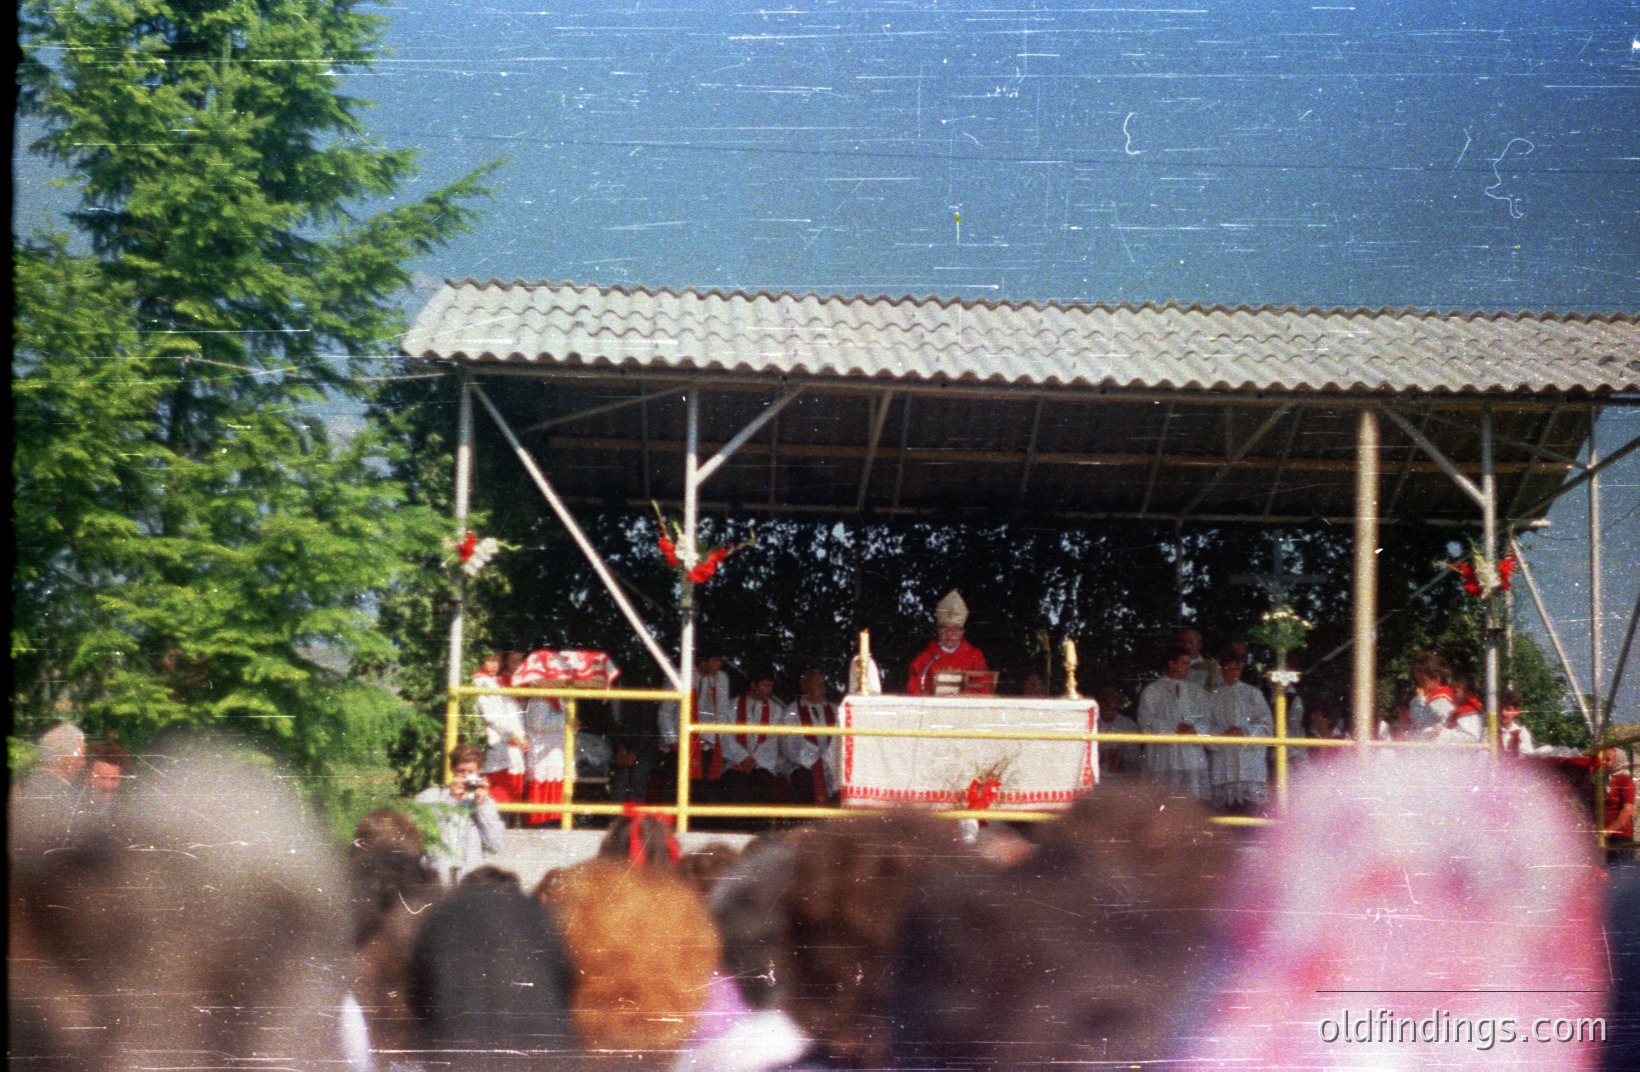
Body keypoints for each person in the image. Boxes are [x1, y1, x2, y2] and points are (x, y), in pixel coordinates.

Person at [414, 743, 506, 885]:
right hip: (437, 879)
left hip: (470, 882)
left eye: (471, 772)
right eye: (461, 771)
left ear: (479, 772)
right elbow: (423, 837)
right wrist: (451, 800)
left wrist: (481, 806)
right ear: (452, 770)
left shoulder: (486, 804)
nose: (466, 777)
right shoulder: (429, 797)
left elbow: (495, 846)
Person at [1137, 646, 1212, 801]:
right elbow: (1145, 721)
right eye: (1184, 663)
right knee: (1163, 802)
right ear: (1172, 664)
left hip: (1191, 756)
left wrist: (1194, 729)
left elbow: (1207, 719)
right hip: (1165, 757)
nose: (1188, 667)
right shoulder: (1152, 691)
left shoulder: (1196, 691)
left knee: (1193, 803)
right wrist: (1173, 728)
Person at [1208, 651, 1273, 810]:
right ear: (1221, 669)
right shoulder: (1211, 696)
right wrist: (1223, 734)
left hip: (1249, 764)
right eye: (1228, 668)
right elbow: (1205, 726)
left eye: (1236, 668)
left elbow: (1266, 726)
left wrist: (1244, 732)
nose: (1232, 672)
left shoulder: (1253, 694)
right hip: (1224, 762)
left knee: (1252, 813)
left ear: (1241, 669)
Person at [9, 721, 89, 848]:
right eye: (81, 757)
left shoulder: (28, 785)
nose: (83, 764)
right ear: (67, 758)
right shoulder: (65, 798)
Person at [715, 668, 785, 805]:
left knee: (763, 785)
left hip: (763, 763)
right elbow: (725, 735)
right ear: (753, 685)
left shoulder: (776, 710)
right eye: (765, 685)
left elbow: (772, 740)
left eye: (771, 686)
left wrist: (754, 760)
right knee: (735, 785)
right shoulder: (731, 706)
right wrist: (742, 757)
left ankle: (759, 826)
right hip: (735, 761)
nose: (769, 690)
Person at [906, 589, 988, 696]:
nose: (949, 634)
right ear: (938, 631)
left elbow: (984, 688)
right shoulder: (925, 659)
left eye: (955, 629)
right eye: (944, 629)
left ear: (962, 632)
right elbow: (916, 690)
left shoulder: (975, 657)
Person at [475, 652, 527, 809]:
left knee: (512, 785)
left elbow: (512, 712)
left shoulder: (499, 682)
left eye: (497, 662)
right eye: (490, 661)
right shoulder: (481, 683)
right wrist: (511, 735)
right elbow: (491, 716)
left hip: (509, 739)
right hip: (496, 739)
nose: (494, 666)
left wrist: (520, 735)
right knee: (497, 787)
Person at [782, 667, 839, 806]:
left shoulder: (835, 710)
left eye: (822, 683)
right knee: (804, 780)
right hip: (803, 764)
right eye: (817, 683)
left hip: (831, 763)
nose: (822, 687)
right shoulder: (792, 711)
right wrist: (814, 760)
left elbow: (840, 740)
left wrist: (829, 759)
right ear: (804, 686)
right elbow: (789, 745)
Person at [1094, 685, 1142, 777]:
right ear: (1100, 706)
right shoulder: (1090, 724)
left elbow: (1135, 757)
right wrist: (1101, 756)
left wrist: (1121, 760)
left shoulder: (1128, 725)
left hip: (1121, 777)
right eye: (1107, 709)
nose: (1111, 713)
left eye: (1114, 709)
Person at [1407, 650, 1455, 738]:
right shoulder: (1434, 699)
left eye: (1422, 681)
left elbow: (1420, 721)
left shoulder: (1441, 700)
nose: (1419, 685)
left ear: (1436, 679)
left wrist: (1418, 699)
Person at [1604, 747, 1636, 847]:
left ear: (1617, 761)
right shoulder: (1604, 780)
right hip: (1604, 834)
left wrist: (1609, 829)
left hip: (1620, 836)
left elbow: (1627, 810)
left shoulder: (1625, 780)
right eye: (1603, 759)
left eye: (1607, 759)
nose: (1603, 762)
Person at [1177, 626, 1219, 691]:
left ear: (1199, 645)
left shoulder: (1211, 667)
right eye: (1182, 642)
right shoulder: (1172, 666)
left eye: (1190, 642)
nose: (1186, 645)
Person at [1498, 689, 1536, 755]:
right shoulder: (1491, 731)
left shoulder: (1521, 733)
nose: (1503, 713)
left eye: (1507, 709)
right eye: (1500, 709)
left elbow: (1528, 756)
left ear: (1516, 711)